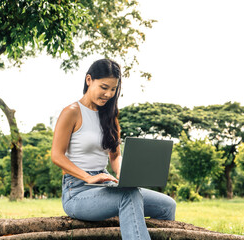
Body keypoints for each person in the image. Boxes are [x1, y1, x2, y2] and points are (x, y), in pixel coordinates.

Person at [51, 59, 176, 239]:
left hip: (107, 185)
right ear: (88, 80)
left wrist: (122, 173)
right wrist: (89, 177)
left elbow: (115, 156)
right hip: (77, 192)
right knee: (128, 196)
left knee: (167, 206)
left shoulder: (110, 117)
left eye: (113, 89)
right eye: (104, 87)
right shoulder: (71, 112)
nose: (109, 94)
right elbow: (57, 155)